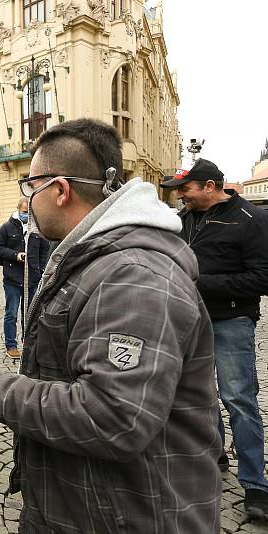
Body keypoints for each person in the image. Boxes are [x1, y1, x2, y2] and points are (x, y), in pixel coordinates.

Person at [0, 118, 221, 533]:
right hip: (82, 505)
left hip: (128, 515)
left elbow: (113, 417)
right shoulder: (98, 257)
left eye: (31, 188)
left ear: (60, 190)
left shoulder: (132, 275)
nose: (28, 201)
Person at [160, 158, 268, 519]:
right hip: (189, 321)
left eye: (185, 188)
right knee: (199, 395)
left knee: (238, 399)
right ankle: (214, 454)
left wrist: (201, 284)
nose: (180, 195)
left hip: (231, 320)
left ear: (210, 186)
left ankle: (255, 485)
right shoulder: (182, 220)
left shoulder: (251, 219)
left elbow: (262, 278)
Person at [0, 197, 50, 358]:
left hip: (32, 278)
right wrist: (15, 255)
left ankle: (29, 343)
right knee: (11, 313)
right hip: (12, 279)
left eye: (30, 212)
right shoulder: (7, 227)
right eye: (25, 212)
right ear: (18, 210)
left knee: (30, 314)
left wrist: (41, 269)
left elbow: (44, 250)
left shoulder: (37, 228)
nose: (27, 215)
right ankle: (11, 345)